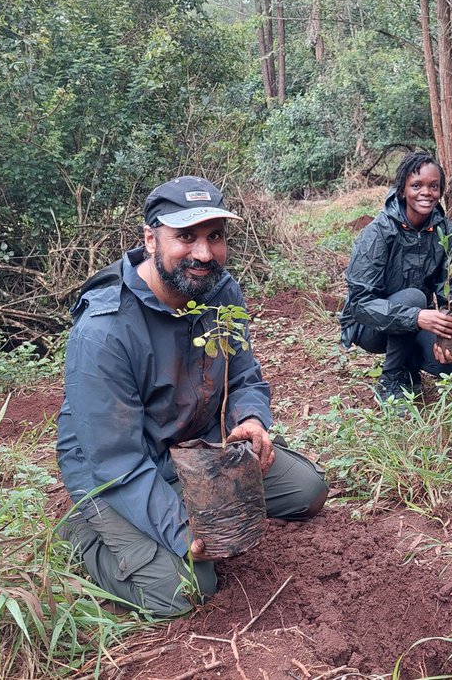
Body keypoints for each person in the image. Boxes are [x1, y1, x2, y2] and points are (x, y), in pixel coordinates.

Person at [56, 176, 328, 617]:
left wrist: (251, 419)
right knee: (188, 588)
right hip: (117, 470)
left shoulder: (219, 292)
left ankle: (177, 502)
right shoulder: (104, 330)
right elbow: (115, 461)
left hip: (192, 452)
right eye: (186, 236)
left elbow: (244, 376)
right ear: (151, 239)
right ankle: (84, 532)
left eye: (214, 237)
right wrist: (186, 532)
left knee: (307, 491)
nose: (204, 253)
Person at [339, 152, 452, 406]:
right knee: (414, 298)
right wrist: (417, 316)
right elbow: (359, 304)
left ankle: (409, 368)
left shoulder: (448, 233)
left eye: (434, 186)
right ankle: (391, 379)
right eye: (416, 185)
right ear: (402, 190)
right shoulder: (378, 232)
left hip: (416, 318)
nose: (426, 192)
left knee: (448, 365)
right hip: (368, 327)